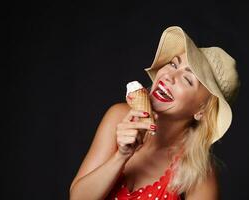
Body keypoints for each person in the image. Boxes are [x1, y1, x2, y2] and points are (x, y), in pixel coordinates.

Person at [69, 26, 240, 200]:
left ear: (201, 110)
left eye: (187, 79)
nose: (168, 76)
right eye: (173, 64)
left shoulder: (199, 171)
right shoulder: (118, 116)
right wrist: (121, 156)